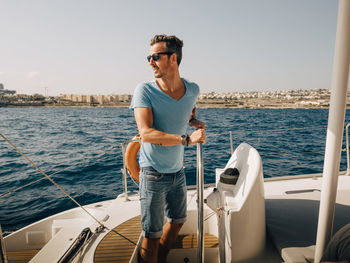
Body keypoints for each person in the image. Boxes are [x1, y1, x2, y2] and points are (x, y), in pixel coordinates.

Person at [129, 34, 206, 263]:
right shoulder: (144, 90)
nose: (150, 61)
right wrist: (187, 140)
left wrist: (195, 124)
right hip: (152, 173)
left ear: (173, 58)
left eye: (155, 56)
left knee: (178, 221)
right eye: (149, 57)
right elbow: (146, 133)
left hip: (178, 172)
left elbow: (188, 115)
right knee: (151, 235)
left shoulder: (193, 90)